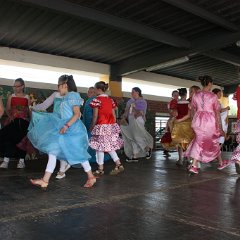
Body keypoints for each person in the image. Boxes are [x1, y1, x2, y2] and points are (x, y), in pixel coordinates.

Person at [28, 75, 96, 189]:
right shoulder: (65, 96)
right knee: (52, 151)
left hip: (72, 129)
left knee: (78, 154)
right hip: (64, 126)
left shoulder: (73, 95)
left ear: (65, 85)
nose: (58, 88)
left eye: (59, 85)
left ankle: (90, 176)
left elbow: (76, 114)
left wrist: (66, 125)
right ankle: (45, 180)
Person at [185, 75, 230, 174]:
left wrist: (193, 122)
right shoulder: (213, 96)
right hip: (209, 121)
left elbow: (193, 110)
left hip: (198, 120)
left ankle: (220, 163)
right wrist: (220, 128)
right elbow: (217, 114)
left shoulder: (196, 95)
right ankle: (194, 165)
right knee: (208, 141)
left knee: (205, 140)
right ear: (210, 83)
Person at [89, 81, 124, 176]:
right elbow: (113, 115)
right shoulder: (111, 100)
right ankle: (118, 164)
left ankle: (100, 169)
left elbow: (95, 115)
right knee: (109, 146)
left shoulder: (97, 100)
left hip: (101, 126)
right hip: (111, 126)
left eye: (95, 89)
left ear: (98, 89)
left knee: (100, 148)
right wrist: (114, 125)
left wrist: (92, 126)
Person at [0, 78, 30, 169]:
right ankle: (6, 160)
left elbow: (29, 110)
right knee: (10, 138)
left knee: (23, 140)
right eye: (14, 86)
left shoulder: (27, 97)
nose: (15, 88)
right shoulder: (11, 96)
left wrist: (29, 119)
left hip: (24, 122)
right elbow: (8, 109)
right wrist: (11, 116)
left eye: (17, 86)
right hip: (13, 121)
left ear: (22, 86)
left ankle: (21, 161)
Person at [120, 87, 153, 162]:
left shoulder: (142, 101)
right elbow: (127, 111)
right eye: (131, 92)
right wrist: (124, 117)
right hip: (131, 120)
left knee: (137, 136)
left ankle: (147, 148)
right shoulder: (130, 101)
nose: (131, 93)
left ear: (138, 92)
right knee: (131, 136)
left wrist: (134, 107)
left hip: (138, 120)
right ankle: (135, 155)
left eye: (133, 92)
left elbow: (140, 113)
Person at [83, 87, 110, 163]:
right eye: (88, 92)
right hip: (91, 124)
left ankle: (94, 159)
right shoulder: (90, 101)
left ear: (95, 93)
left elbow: (95, 115)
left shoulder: (94, 101)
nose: (89, 93)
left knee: (93, 142)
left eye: (91, 92)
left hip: (92, 124)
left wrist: (92, 125)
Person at [171, 88, 194, 166]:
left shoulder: (176, 103)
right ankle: (188, 159)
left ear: (179, 94)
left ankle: (180, 159)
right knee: (188, 142)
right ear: (186, 94)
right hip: (188, 124)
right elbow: (189, 115)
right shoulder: (189, 103)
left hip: (178, 124)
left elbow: (174, 114)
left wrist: (176, 120)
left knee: (180, 142)